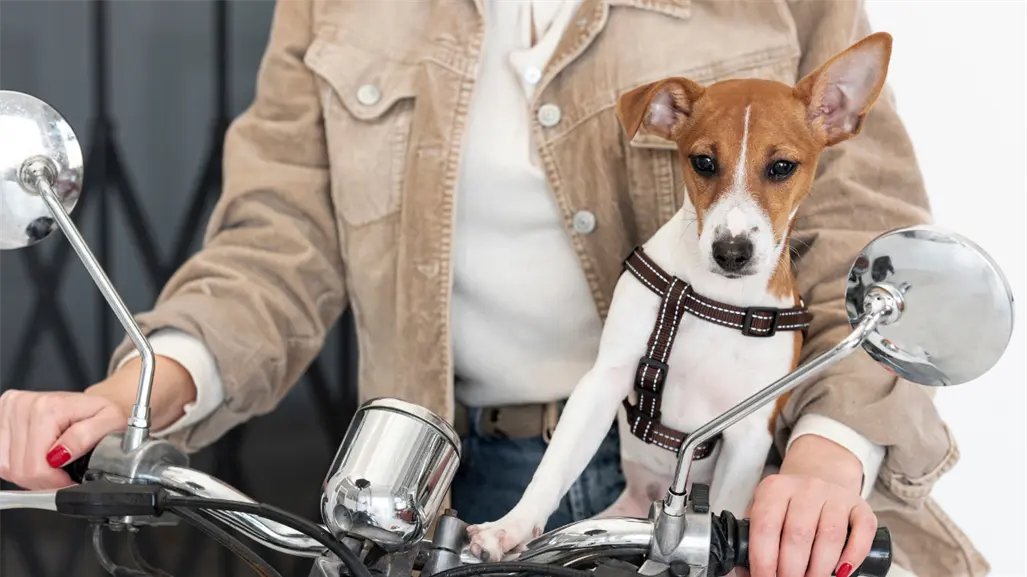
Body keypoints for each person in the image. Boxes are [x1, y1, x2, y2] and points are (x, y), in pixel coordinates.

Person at [0, 1, 988, 576]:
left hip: (743, 475)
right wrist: (126, 399)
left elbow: (867, 238)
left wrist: (822, 462)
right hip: (478, 485)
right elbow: (274, 244)